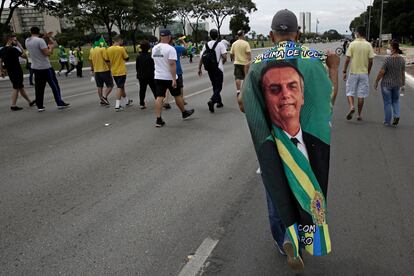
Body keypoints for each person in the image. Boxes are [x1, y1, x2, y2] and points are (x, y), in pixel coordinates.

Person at [242, 9, 337, 271]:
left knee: (276, 192)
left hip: (272, 147)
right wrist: (334, 69)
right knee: (306, 193)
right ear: (298, 34)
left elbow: (243, 104)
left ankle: (284, 238)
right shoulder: (312, 62)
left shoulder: (260, 63)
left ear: (271, 35)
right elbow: (329, 102)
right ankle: (302, 239)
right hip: (308, 147)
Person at [151, 29, 194, 127]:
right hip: (169, 77)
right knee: (177, 95)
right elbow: (172, 64)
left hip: (158, 76)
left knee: (159, 97)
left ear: (160, 36)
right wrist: (174, 79)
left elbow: (155, 61)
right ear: (169, 37)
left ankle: (158, 119)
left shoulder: (155, 48)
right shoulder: (170, 49)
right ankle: (184, 112)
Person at [25, 27, 69, 112]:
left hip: (35, 67)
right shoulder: (40, 41)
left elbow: (37, 43)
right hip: (45, 67)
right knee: (54, 85)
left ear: (30, 32)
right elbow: (47, 53)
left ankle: (40, 106)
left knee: (39, 88)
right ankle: (59, 103)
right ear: (39, 32)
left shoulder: (27, 40)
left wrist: (46, 37)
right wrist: (51, 47)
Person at [342, 26, 375, 121]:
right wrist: (368, 71)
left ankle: (352, 106)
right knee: (361, 95)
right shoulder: (368, 45)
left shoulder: (352, 44)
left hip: (353, 73)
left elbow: (347, 59)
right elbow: (371, 61)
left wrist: (344, 71)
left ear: (357, 33)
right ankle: (359, 115)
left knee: (349, 91)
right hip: (364, 73)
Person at [0, 34, 35, 111]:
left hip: (10, 71)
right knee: (16, 87)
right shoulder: (13, 49)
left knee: (20, 87)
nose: (16, 41)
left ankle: (30, 101)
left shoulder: (2, 50)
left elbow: (1, 60)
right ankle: (13, 105)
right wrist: (20, 46)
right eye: (15, 40)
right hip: (17, 71)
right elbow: (25, 56)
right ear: (10, 40)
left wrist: (1, 70)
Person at [374, 40, 405, 126]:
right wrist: (403, 84)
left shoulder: (388, 59)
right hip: (397, 84)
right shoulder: (402, 60)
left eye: (390, 47)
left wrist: (376, 81)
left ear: (394, 49)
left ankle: (387, 121)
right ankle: (397, 115)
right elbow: (402, 73)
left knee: (387, 102)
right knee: (395, 101)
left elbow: (381, 72)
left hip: (386, 85)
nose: (389, 48)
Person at [198, 29, 227, 113]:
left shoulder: (205, 45)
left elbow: (201, 58)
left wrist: (199, 68)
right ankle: (212, 100)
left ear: (210, 36)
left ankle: (219, 102)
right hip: (218, 68)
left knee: (214, 85)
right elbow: (225, 57)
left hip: (209, 69)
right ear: (217, 35)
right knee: (219, 86)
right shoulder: (220, 44)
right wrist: (222, 63)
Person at [106, 35, 132, 111]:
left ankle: (127, 101)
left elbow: (107, 60)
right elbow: (127, 58)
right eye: (122, 41)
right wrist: (125, 51)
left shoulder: (108, 49)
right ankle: (117, 105)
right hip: (121, 71)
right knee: (120, 87)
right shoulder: (121, 49)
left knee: (121, 86)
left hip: (114, 71)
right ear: (119, 40)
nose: (122, 42)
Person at [89, 36, 113, 106]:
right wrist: (110, 68)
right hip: (104, 70)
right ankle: (104, 97)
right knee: (110, 85)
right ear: (100, 40)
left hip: (96, 71)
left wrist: (92, 69)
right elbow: (106, 59)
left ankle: (102, 100)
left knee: (99, 86)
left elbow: (90, 60)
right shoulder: (102, 49)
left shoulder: (92, 49)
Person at [230, 30, 251, 101]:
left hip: (237, 62)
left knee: (237, 77)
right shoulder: (246, 43)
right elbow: (248, 54)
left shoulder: (234, 44)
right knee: (246, 77)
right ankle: (245, 91)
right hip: (245, 63)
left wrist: (233, 59)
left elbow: (231, 53)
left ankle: (238, 91)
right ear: (242, 35)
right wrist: (249, 61)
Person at [136, 40, 156, 109]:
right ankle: (158, 101)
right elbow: (154, 66)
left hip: (141, 76)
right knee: (154, 89)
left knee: (142, 90)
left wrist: (138, 74)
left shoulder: (138, 57)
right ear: (149, 48)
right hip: (151, 75)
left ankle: (141, 103)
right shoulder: (151, 56)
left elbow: (137, 67)